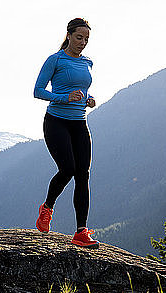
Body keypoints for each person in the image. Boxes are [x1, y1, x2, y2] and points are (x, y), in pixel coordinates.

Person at [33, 17, 99, 249]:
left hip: (79, 123)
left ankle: (81, 231)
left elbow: (83, 89)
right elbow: (38, 90)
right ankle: (47, 208)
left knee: (83, 175)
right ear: (68, 35)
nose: (82, 42)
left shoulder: (88, 62)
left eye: (86, 39)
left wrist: (88, 100)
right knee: (68, 169)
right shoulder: (55, 60)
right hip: (56, 122)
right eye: (79, 37)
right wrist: (64, 98)